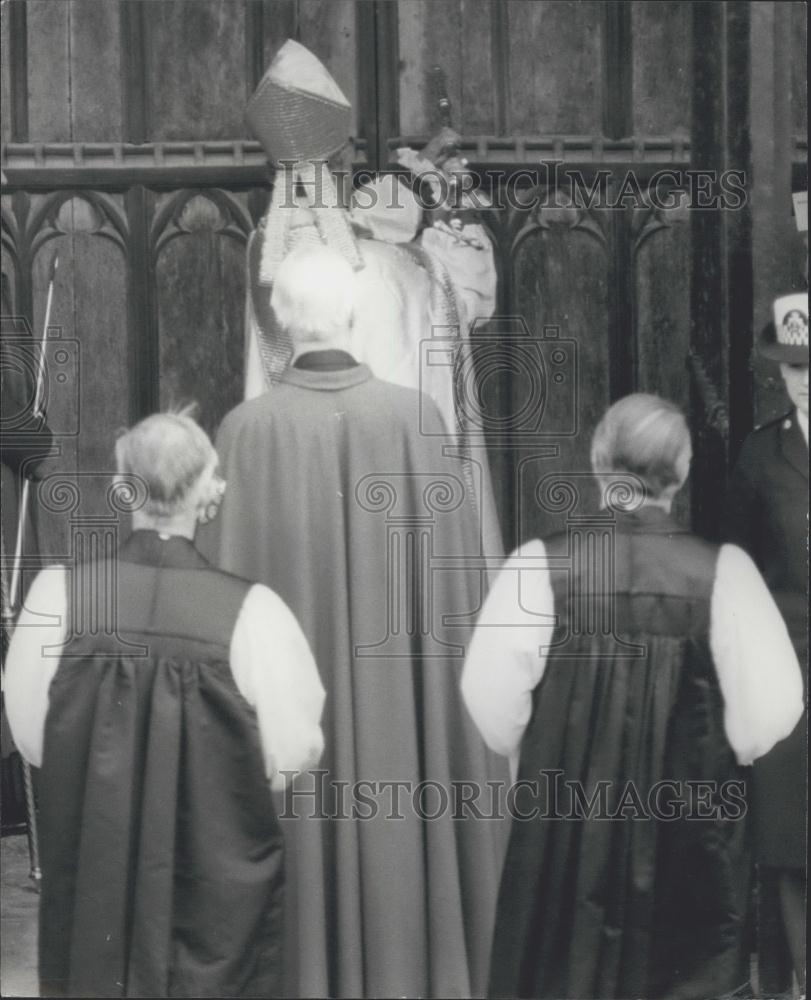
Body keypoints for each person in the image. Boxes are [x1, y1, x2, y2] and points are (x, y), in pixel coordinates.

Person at [198, 243, 507, 999]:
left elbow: (220, 607)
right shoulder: (416, 418)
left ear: (280, 319)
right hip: (402, 715)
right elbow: (456, 596)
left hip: (291, 744)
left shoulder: (245, 430)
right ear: (354, 315)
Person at [462, 393, 804, 999]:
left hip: (565, 834)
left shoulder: (536, 568)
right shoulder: (724, 574)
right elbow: (772, 711)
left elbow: (491, 707)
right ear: (685, 467)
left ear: (598, 461)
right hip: (691, 834)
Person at [4, 411, 325, 998]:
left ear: (124, 486)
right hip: (215, 902)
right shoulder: (255, 613)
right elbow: (291, 753)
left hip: (93, 889)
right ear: (208, 490)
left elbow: (31, 738)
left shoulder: (56, 598)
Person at [724, 292, 808, 991]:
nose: (803, 377)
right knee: (789, 839)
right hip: (789, 672)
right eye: (790, 366)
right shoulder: (759, 454)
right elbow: (740, 568)